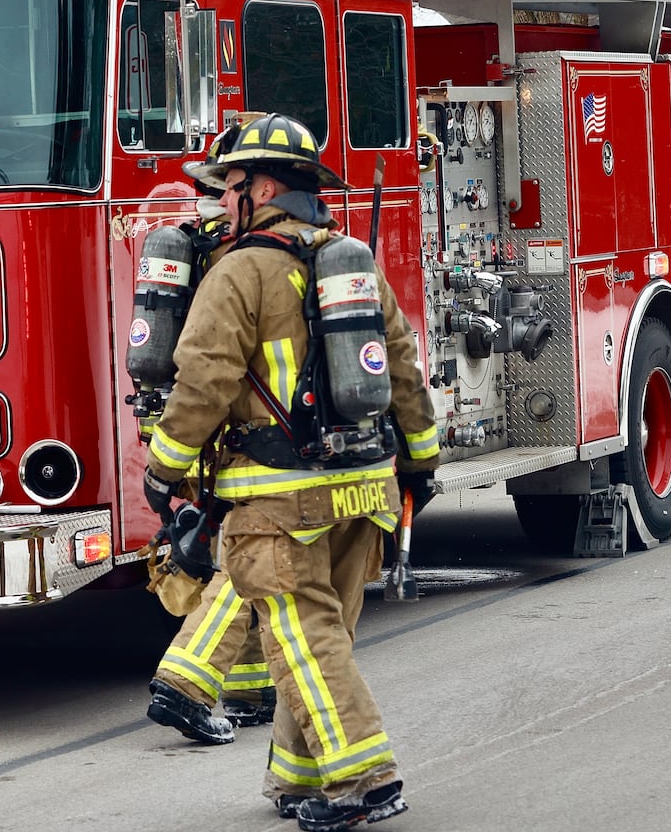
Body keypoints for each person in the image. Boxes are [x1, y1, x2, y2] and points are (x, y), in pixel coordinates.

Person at [142, 113, 440, 832]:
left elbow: (203, 380)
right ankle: (298, 781)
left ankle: (364, 780)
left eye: (230, 187)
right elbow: (402, 368)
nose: (220, 202)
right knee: (315, 641)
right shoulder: (351, 258)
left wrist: (164, 469)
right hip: (364, 489)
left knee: (304, 644)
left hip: (278, 501)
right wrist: (422, 463)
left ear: (262, 188)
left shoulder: (239, 269)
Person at [146, 124, 278, 745]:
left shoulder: (198, 246)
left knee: (235, 549)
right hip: (230, 431)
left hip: (199, 430)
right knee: (249, 567)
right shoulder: (238, 258)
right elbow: (214, 369)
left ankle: (250, 687)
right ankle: (185, 682)